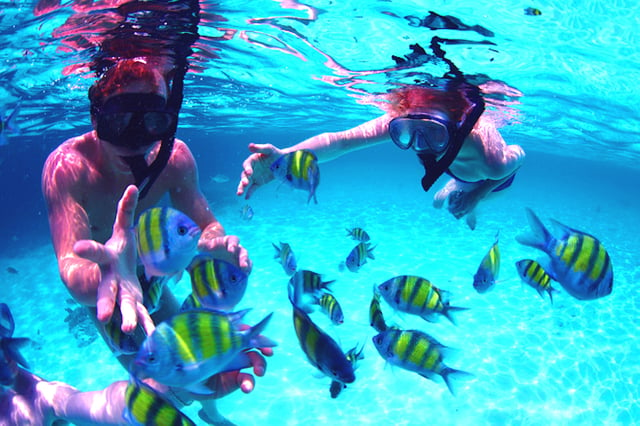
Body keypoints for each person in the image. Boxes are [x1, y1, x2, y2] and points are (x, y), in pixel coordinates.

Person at [41, 57, 271, 423]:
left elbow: (206, 224)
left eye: (152, 120)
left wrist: (214, 242)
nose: (136, 139)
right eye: (119, 120)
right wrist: (111, 273)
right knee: (154, 387)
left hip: (154, 277)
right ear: (95, 118)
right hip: (109, 295)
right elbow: (71, 267)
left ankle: (209, 410)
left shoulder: (174, 158)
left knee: (196, 363)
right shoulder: (68, 169)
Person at [236, 80, 525, 229]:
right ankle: (459, 188)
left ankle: (469, 194)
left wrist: (479, 193)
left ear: (456, 126)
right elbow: (342, 141)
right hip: (460, 171)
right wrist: (282, 160)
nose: (419, 143)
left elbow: (518, 158)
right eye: (406, 133)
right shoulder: (412, 120)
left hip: (496, 180)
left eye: (434, 134)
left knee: (463, 200)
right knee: (440, 203)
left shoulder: (489, 158)